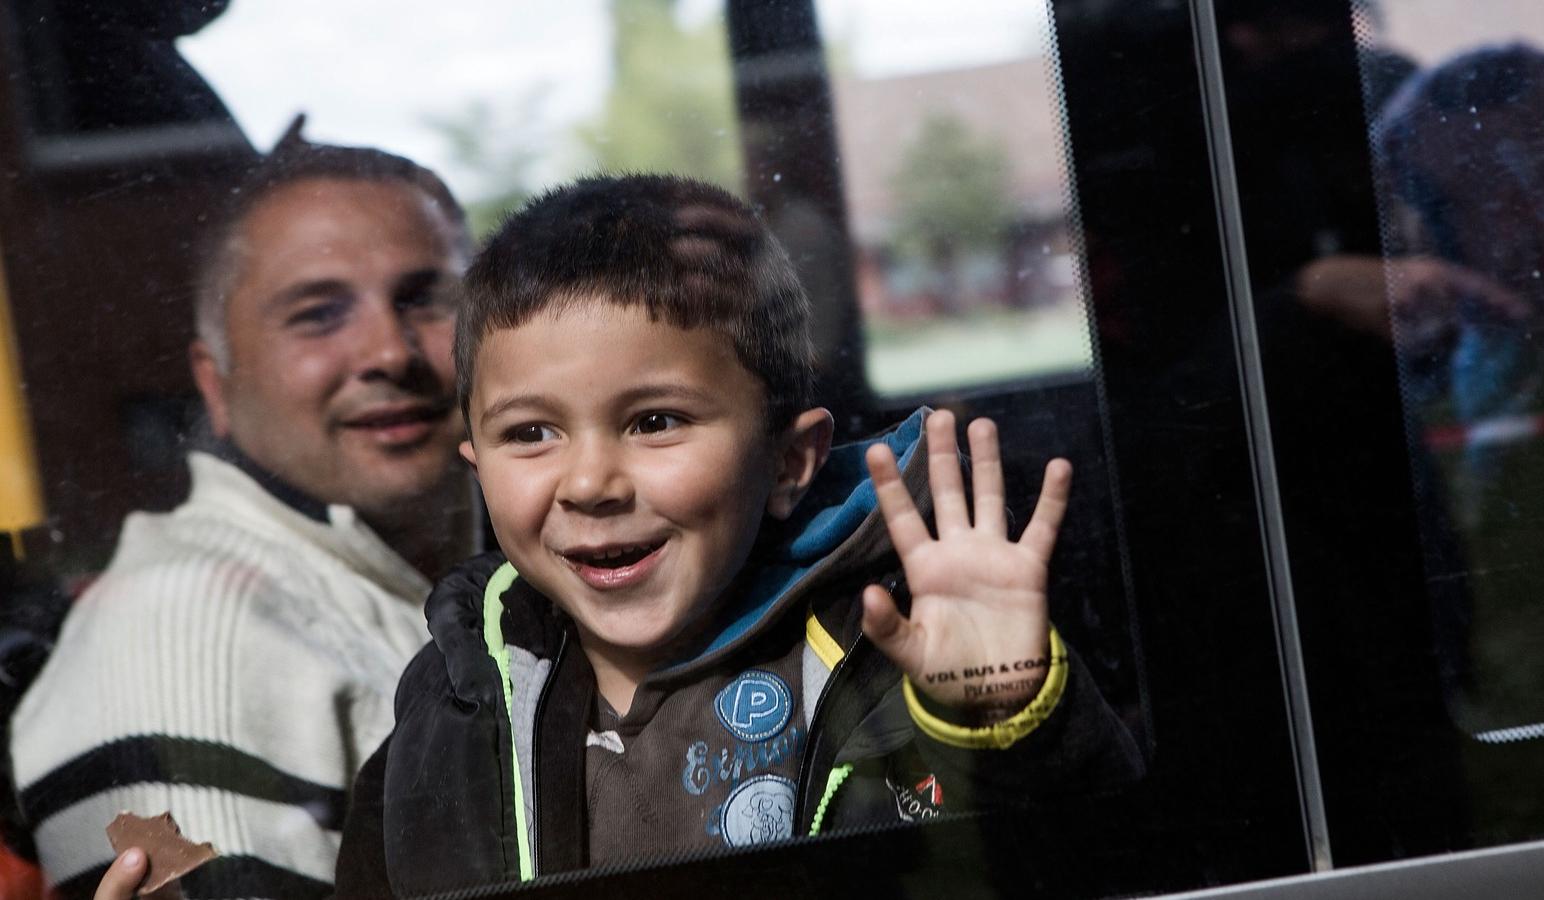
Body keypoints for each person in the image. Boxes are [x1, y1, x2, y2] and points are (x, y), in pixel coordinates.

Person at [322, 174, 1142, 896]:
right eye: (531, 434)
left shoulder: (887, 654)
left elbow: (1053, 860)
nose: (589, 484)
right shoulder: (456, 701)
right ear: (477, 467)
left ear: (789, 463)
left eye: (654, 422)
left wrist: (995, 712)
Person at [12, 126, 478, 899]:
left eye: (425, 299)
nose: (389, 352)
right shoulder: (185, 630)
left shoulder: (490, 572)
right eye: (319, 314)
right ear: (216, 384)